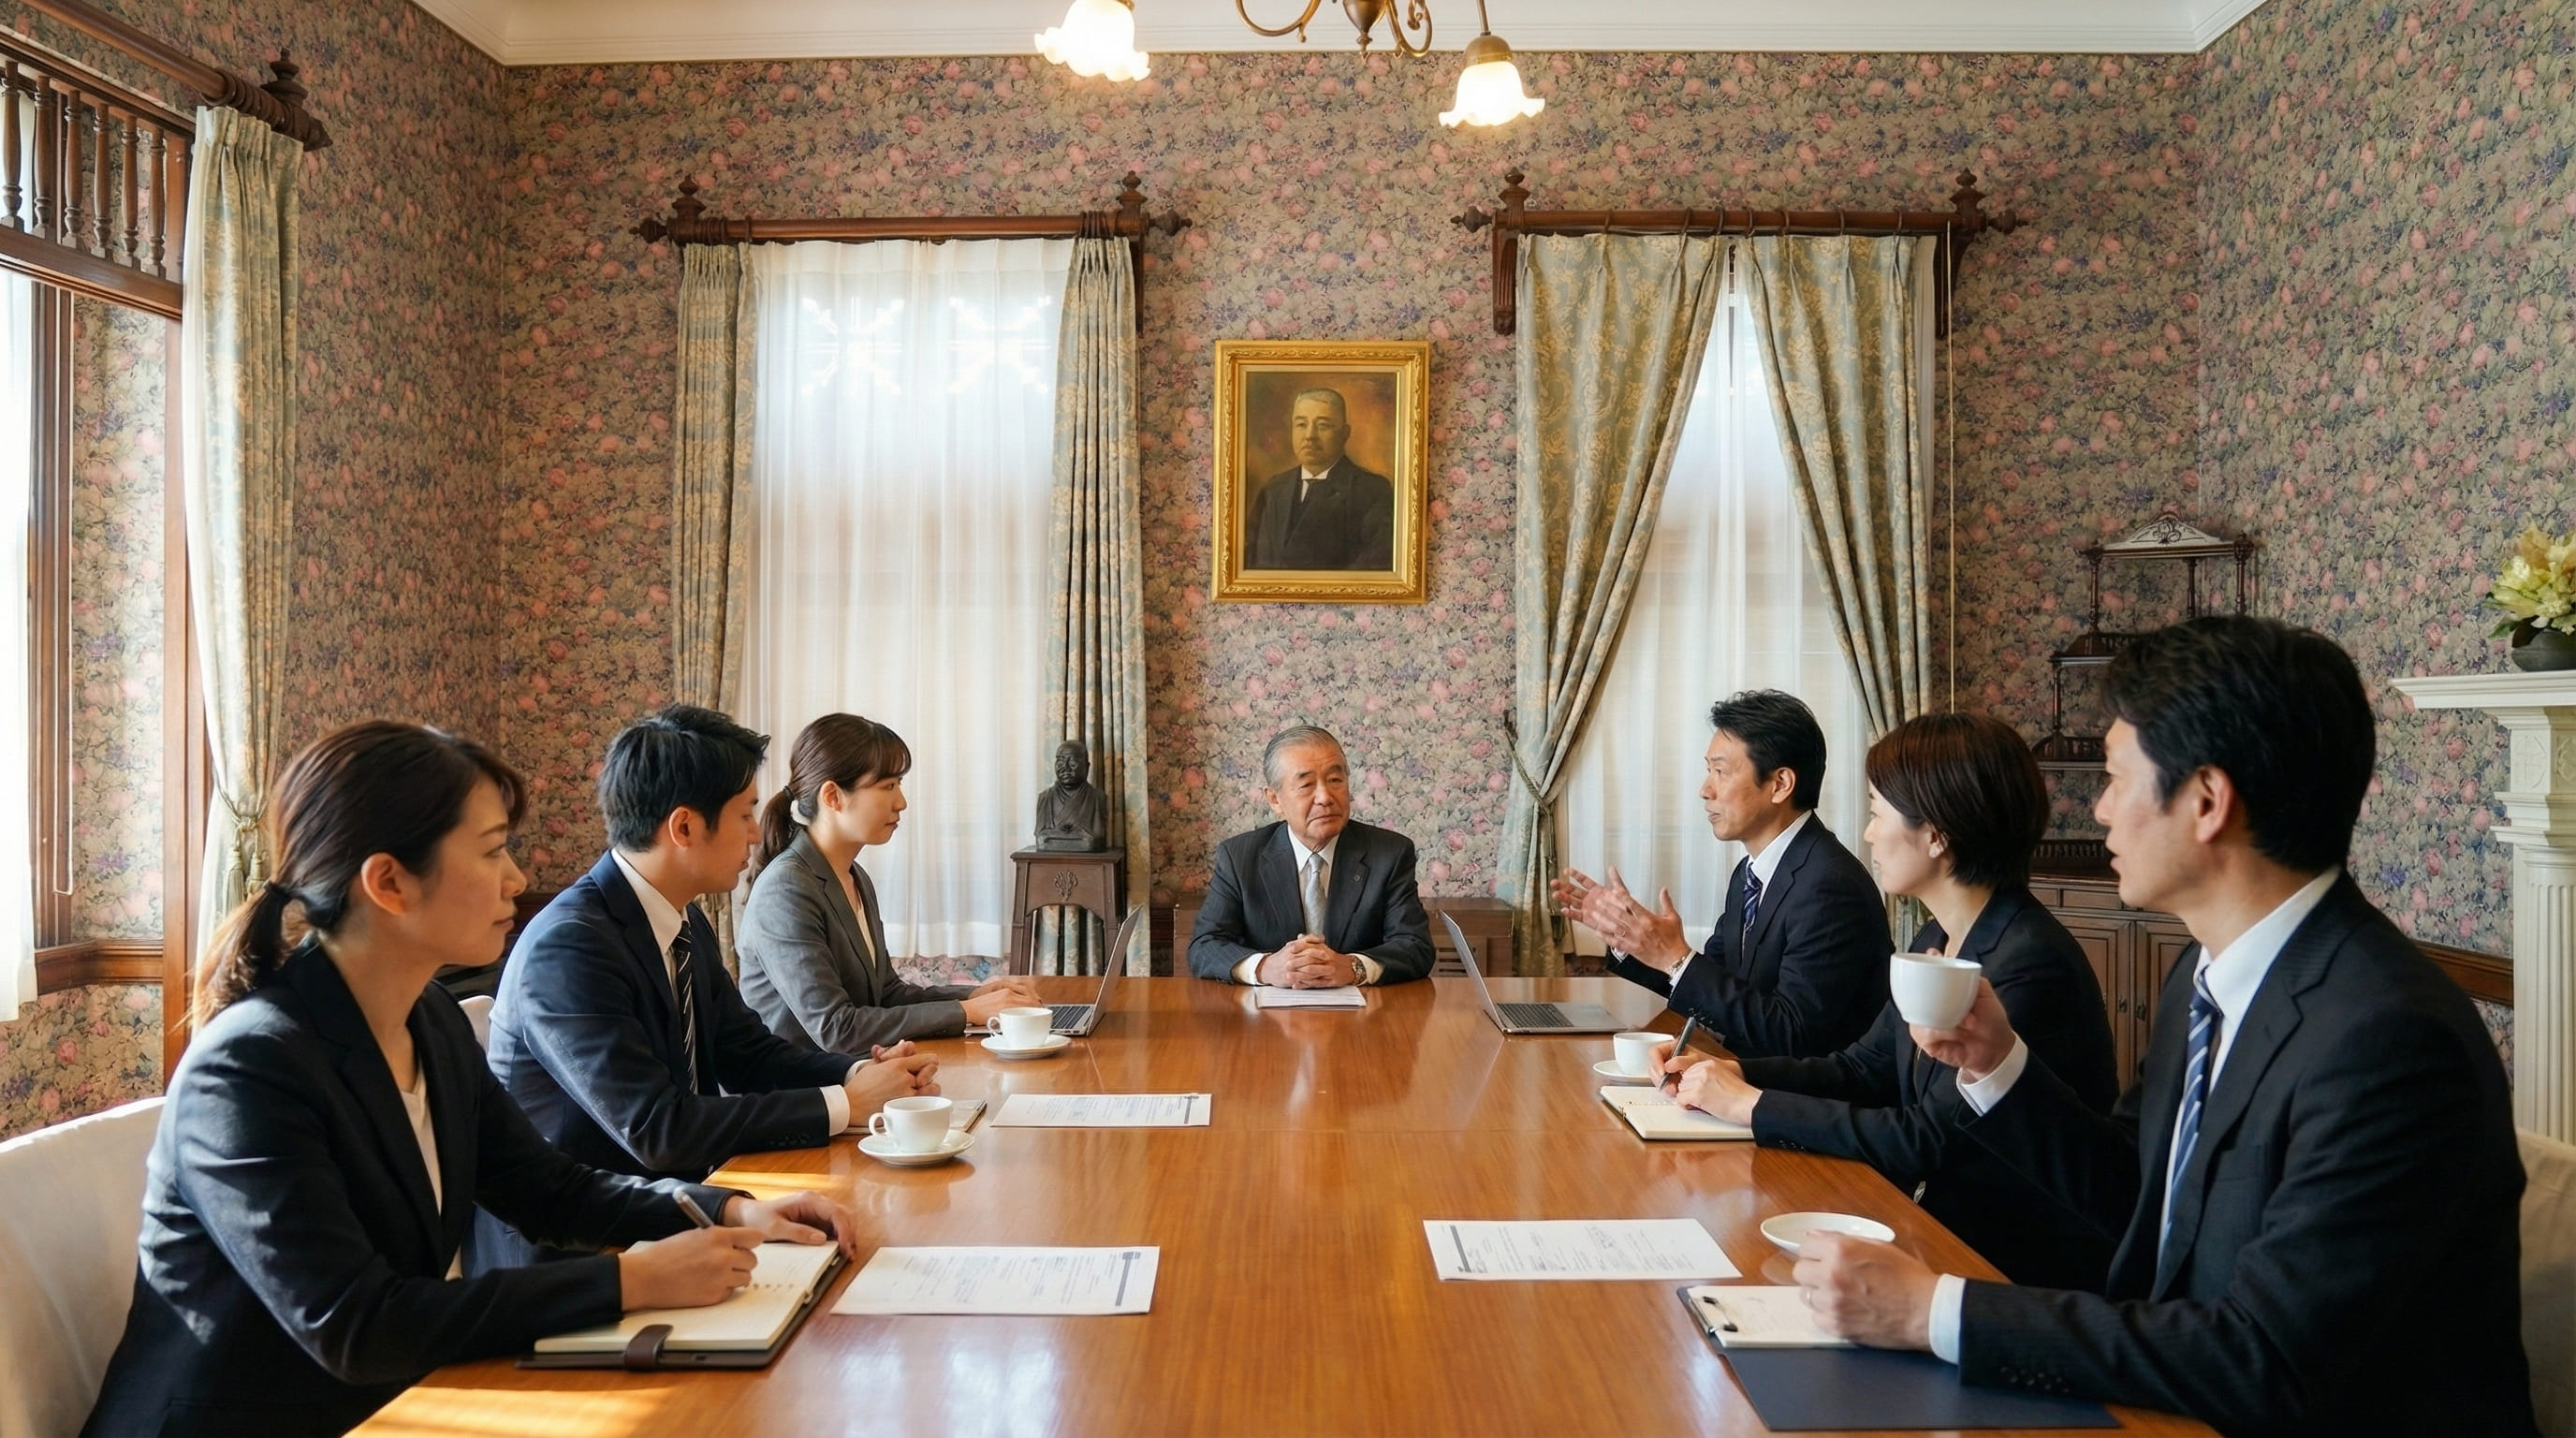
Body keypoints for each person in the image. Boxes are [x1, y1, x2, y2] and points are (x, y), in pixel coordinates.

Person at [1792, 617, 2537, 1436]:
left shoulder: (2389, 1040)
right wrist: (1998, 1064)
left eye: (2116, 779)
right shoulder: (2201, 977)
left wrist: (1934, 1311)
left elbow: (2265, 1358)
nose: (2101, 809)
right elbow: (2130, 1195)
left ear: (2208, 802)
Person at [83, 723, 862, 1438]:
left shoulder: (427, 1020)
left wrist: (726, 1206)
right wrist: (625, 1281)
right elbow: (359, 1325)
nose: (518, 878)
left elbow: (550, 1190)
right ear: (389, 882)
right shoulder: (250, 1066)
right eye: (492, 851)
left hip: (387, 1404)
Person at [1660, 713, 2120, 1289]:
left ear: (1936, 833)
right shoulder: (1937, 938)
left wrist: (1751, 1105)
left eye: (1877, 813)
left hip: (2008, 1266)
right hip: (1938, 1227)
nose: (1870, 834)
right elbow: (1864, 1068)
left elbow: (1930, 1139)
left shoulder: (2027, 961)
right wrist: (1728, 1071)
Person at [476, 705, 938, 1270]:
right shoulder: (570, 947)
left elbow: (746, 1053)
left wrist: (856, 1075)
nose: (755, 832)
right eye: (744, 814)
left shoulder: (681, 918)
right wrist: (843, 1104)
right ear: (685, 827)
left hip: (678, 1212)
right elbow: (658, 1130)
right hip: (582, 1257)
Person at [1554, 690, 1887, 1060]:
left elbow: (1792, 1034)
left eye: (1720, 772)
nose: (1705, 790)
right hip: (1742, 1082)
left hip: (1802, 1102)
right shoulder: (1751, 871)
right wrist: (1628, 939)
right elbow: (1712, 984)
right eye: (1707, 771)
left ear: (1780, 784)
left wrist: (1675, 957)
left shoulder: (1830, 885)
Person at [737, 712, 1043, 1049]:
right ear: (833, 797)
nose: (901, 802)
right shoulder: (786, 890)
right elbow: (837, 1028)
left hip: (855, 1075)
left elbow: (887, 994)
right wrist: (968, 1011)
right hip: (801, 1093)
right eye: (888, 786)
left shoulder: (853, 876)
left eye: (899, 785)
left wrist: (977, 994)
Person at [1188, 725, 1434, 987]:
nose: (1325, 797)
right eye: (1306, 785)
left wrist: (1353, 967)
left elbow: (1415, 946)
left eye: (1335, 780)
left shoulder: (1390, 854)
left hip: (1363, 1019)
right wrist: (1265, 968)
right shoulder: (1239, 857)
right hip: (1266, 1021)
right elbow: (1204, 946)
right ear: (1275, 800)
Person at [1243, 387, 1396, 571]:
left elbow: (1375, 570)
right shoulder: (1273, 489)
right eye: (1301, 424)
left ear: (1344, 433)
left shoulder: (1372, 491)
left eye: (1323, 425)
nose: (1309, 436)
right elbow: (1248, 563)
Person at [1033, 739, 1110, 851]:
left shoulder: (1098, 798)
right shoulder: (1045, 798)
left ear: (1087, 766)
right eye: (1060, 762)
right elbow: (1041, 838)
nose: (1066, 768)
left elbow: (1094, 839)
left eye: (1072, 763)